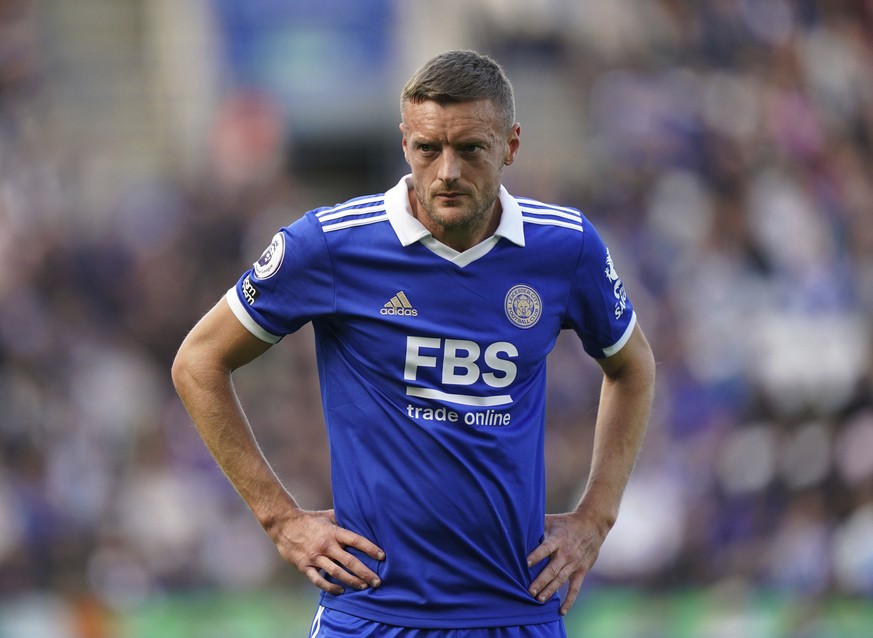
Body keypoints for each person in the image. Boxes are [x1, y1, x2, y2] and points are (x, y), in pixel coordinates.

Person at [172, 49, 656, 637]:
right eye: (429, 149)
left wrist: (595, 520)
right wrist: (280, 520)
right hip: (372, 610)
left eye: (470, 149)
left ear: (511, 145)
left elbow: (632, 367)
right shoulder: (329, 245)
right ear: (406, 144)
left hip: (515, 607)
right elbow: (198, 361)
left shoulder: (566, 248)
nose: (447, 171)